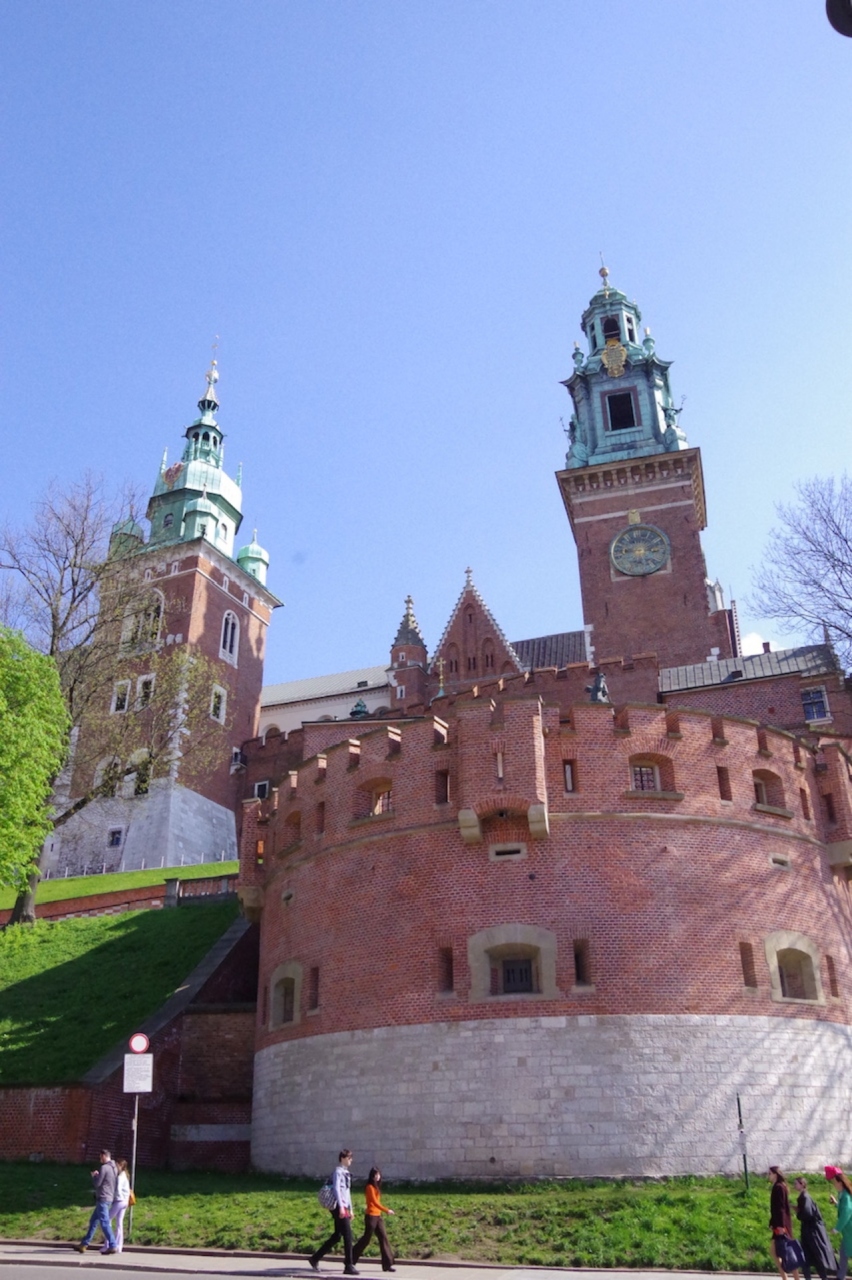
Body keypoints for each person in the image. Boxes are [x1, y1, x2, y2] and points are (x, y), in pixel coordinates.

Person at [310, 1149, 358, 1275]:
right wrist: (341, 1207)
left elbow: (347, 1192)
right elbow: (336, 1189)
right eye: (349, 1158)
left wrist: (351, 1209)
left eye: (351, 1158)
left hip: (344, 1207)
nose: (351, 1160)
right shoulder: (338, 1172)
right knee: (348, 1235)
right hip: (338, 1206)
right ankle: (348, 1265)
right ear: (342, 1158)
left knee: (337, 1235)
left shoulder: (346, 1173)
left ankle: (315, 1258)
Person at [352, 1167, 396, 1273]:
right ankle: (351, 1259)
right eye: (375, 1175)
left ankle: (387, 1264)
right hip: (371, 1216)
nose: (377, 1177)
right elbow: (375, 1202)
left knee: (383, 1237)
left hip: (378, 1216)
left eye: (378, 1174)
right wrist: (387, 1210)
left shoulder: (376, 1187)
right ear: (372, 1176)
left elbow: (377, 1202)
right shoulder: (369, 1187)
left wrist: (382, 1211)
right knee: (366, 1239)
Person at [74, 1149, 118, 1254]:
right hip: (109, 1197)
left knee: (104, 1223)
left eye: (100, 1157)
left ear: (104, 1156)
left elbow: (97, 1184)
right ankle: (84, 1244)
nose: (100, 1159)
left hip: (102, 1198)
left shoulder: (104, 1168)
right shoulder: (114, 1168)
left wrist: (94, 1176)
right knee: (93, 1221)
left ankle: (113, 1245)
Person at [794, 1176, 835, 1280]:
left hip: (811, 1233)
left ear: (802, 1184)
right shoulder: (804, 1196)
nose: (794, 1186)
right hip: (809, 1231)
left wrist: (798, 1212)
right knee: (810, 1258)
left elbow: (807, 1213)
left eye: (796, 1184)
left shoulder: (805, 1197)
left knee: (812, 1257)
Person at [768, 1167, 801, 1280]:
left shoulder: (779, 1187)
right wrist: (772, 1222)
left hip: (781, 1226)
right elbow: (775, 1208)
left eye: (770, 1173)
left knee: (787, 1253)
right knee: (778, 1252)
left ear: (775, 1174)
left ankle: (791, 1278)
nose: (768, 1176)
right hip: (778, 1225)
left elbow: (781, 1208)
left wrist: (781, 1226)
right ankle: (786, 1277)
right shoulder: (779, 1186)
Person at [826, 1166, 852, 1278]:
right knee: (843, 1255)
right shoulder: (843, 1194)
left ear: (840, 1182)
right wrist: (836, 1203)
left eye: (834, 1182)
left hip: (850, 1231)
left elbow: (846, 1212)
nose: (833, 1184)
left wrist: (836, 1229)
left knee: (844, 1254)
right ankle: (840, 1277)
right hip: (847, 1233)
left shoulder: (845, 1195)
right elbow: (844, 1209)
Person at [102, 1158, 131, 1254]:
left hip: (119, 1201)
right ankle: (119, 1246)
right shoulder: (125, 1176)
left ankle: (108, 1245)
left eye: (116, 1165)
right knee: (119, 1223)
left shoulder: (119, 1177)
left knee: (107, 1220)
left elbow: (117, 1190)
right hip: (125, 1202)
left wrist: (112, 1198)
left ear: (120, 1166)